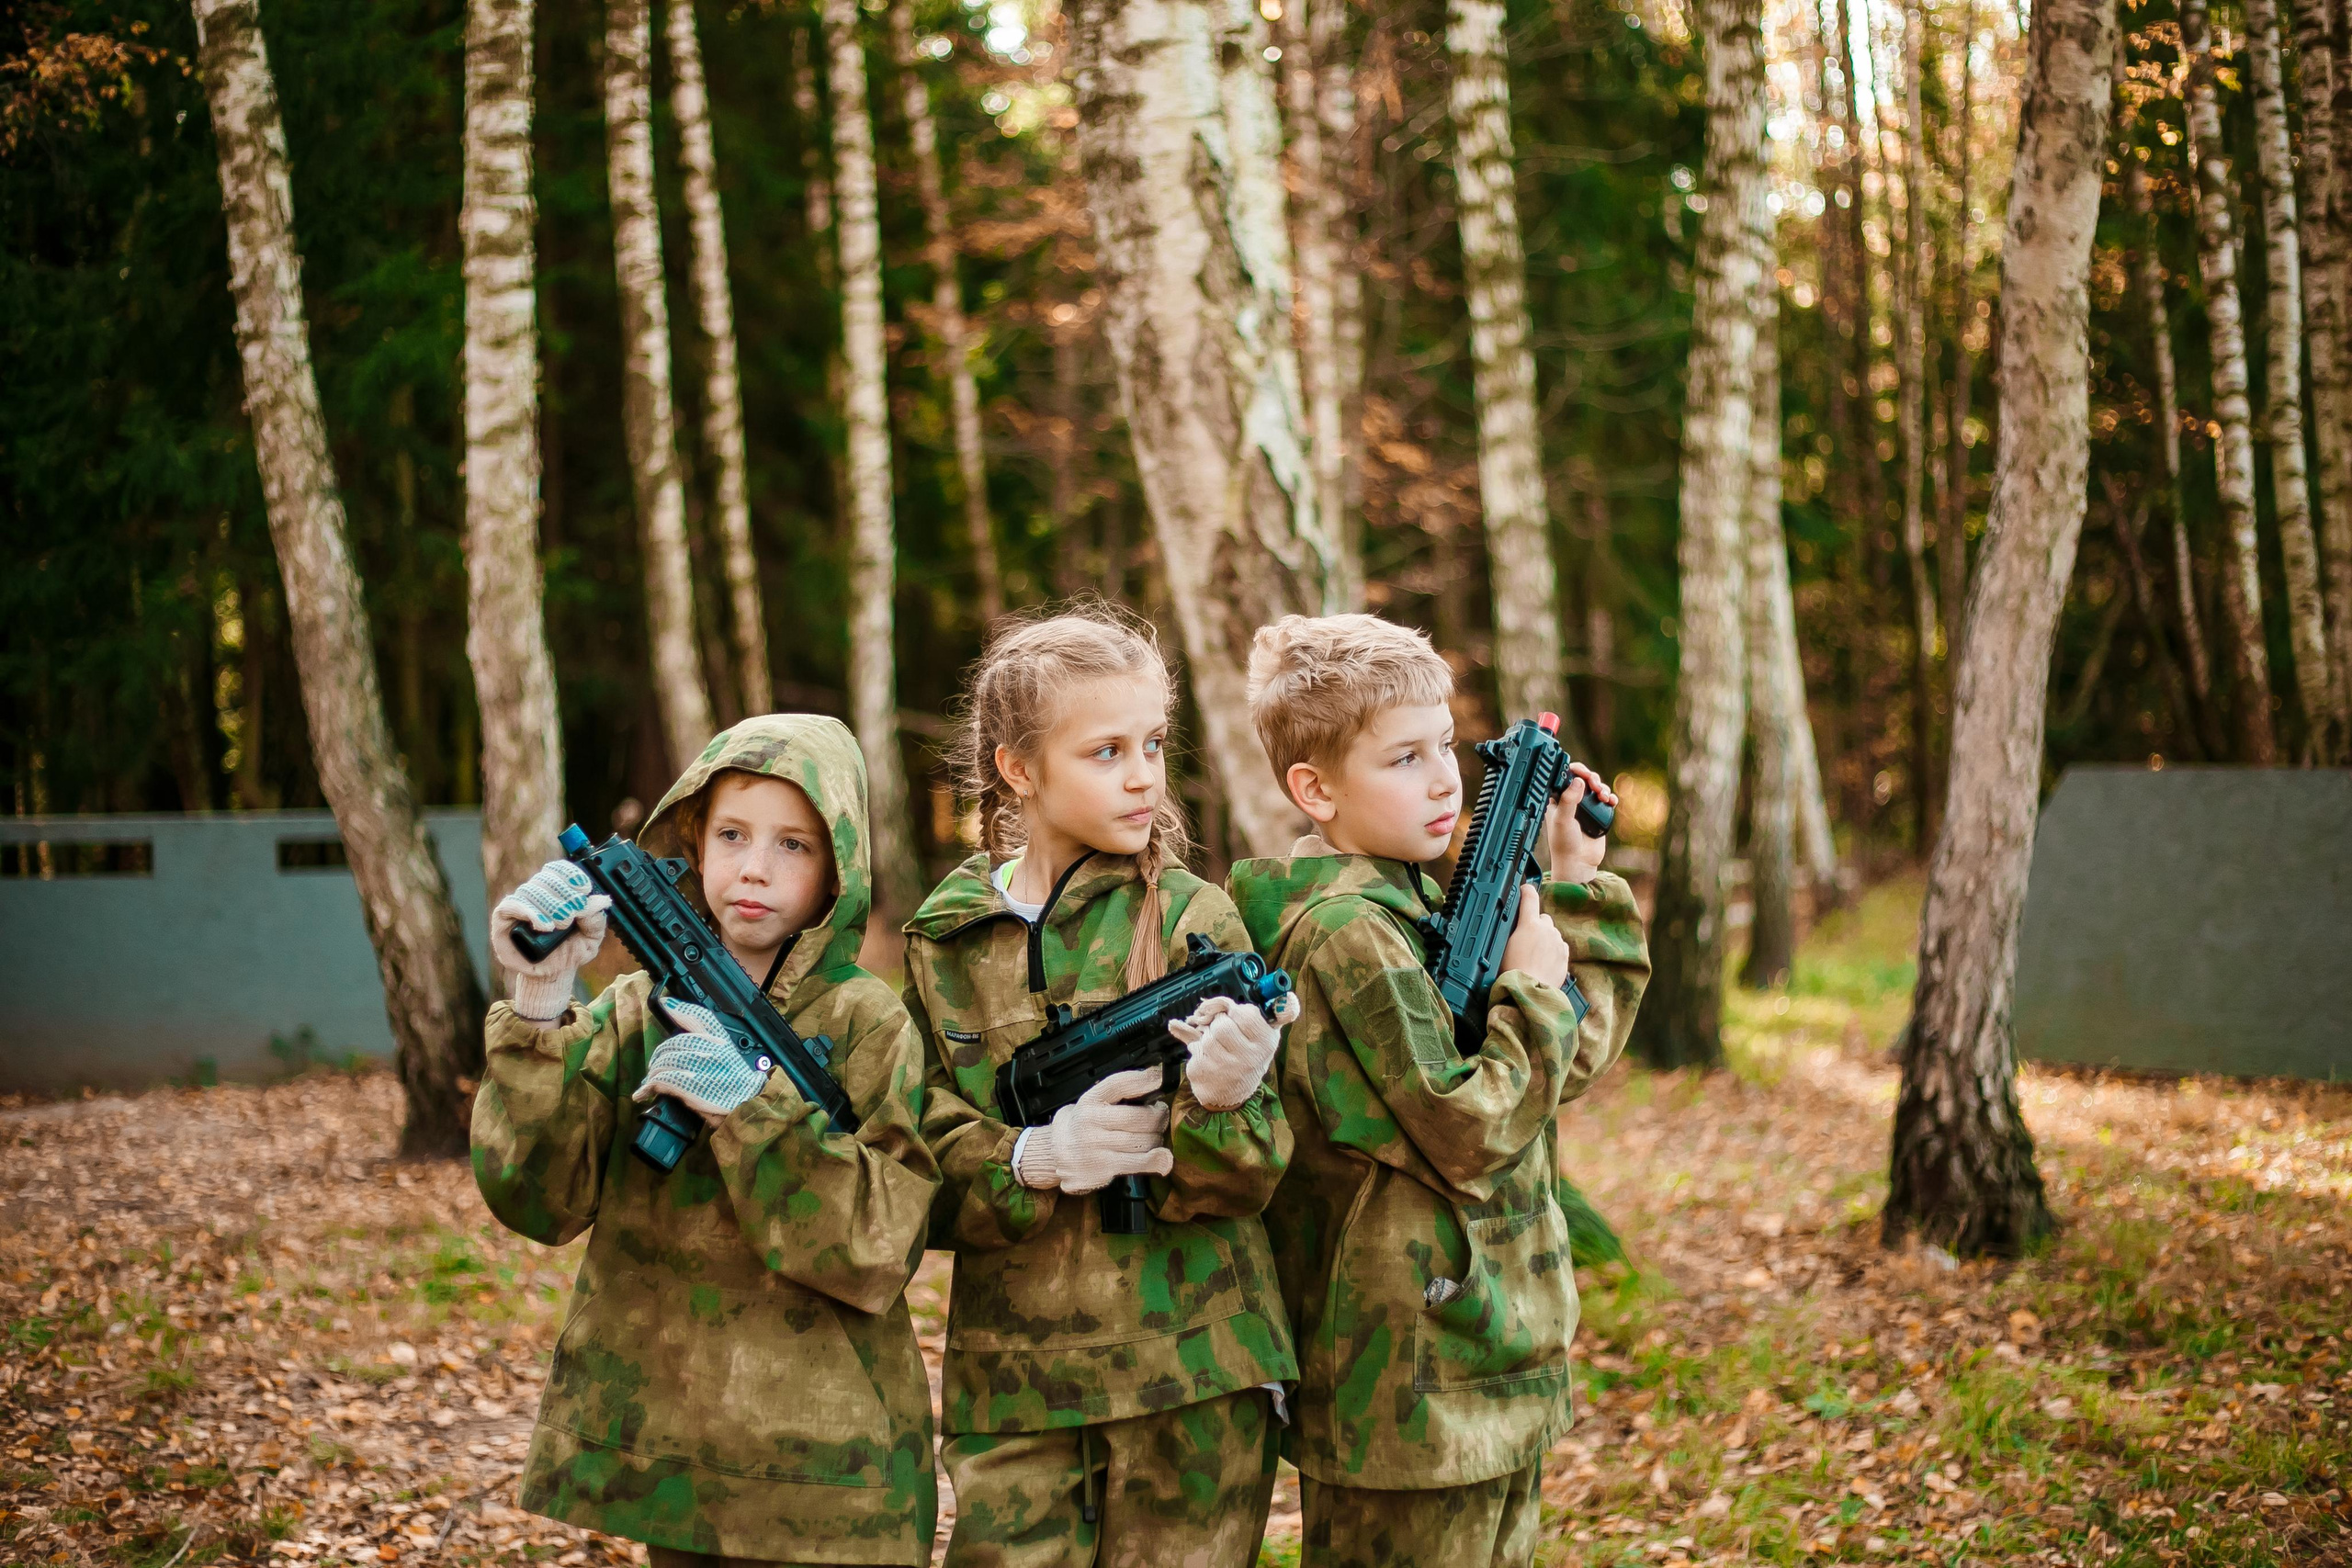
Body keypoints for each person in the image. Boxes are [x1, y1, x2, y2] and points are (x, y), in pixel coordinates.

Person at [1225, 615, 1652, 1568]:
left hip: (1488, 1354)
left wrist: (1575, 890)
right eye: (1403, 757)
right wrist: (1534, 993)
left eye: (1446, 746)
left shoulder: (1420, 903)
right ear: (1314, 789)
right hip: (1406, 1388)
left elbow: (1557, 1073)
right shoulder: (1345, 933)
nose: (1443, 778)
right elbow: (1467, 1129)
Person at [473, 715, 941, 1568]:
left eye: (793, 844)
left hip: (826, 1469)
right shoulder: (633, 1009)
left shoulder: (870, 1021)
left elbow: (882, 1243)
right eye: (732, 834)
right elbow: (539, 1196)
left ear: (839, 867)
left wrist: (754, 1112)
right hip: (674, 1457)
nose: (754, 867)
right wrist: (540, 999)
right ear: (693, 839)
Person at [906, 604, 1296, 1568]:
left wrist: (1224, 1098)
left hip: (1195, 1373)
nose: (1141, 774)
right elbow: (908, 1158)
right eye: (1105, 749)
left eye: (1154, 743)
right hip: (1017, 1387)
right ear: (1018, 769)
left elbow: (1252, 1176)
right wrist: (1028, 1158)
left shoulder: (1195, 916)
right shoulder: (945, 939)